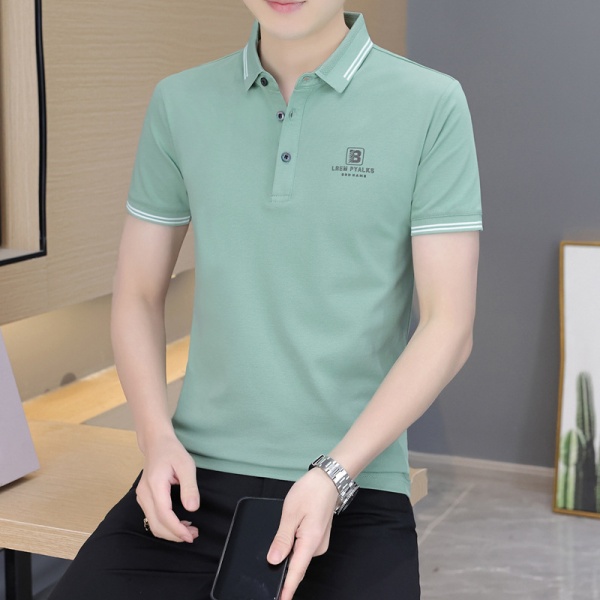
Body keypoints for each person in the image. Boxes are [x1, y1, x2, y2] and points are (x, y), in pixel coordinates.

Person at [49, 1, 481, 598]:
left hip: (354, 486)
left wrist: (333, 475)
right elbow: (139, 294)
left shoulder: (431, 104)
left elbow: (448, 327)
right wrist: (155, 439)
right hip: (194, 479)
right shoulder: (180, 102)